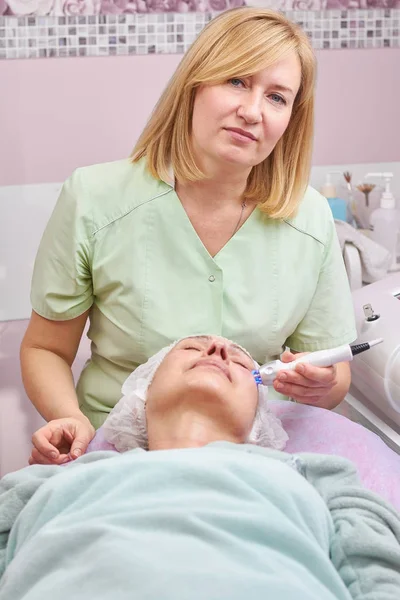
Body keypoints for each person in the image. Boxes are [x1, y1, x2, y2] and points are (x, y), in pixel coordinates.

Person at [20, 7, 357, 466]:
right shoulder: (95, 199)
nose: (252, 111)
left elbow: (332, 372)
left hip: (256, 457)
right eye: (237, 81)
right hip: (117, 450)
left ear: (291, 120)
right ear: (196, 84)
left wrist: (324, 384)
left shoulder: (311, 219)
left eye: (277, 98)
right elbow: (45, 348)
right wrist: (69, 416)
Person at [3, 335, 400, 599]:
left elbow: (377, 576)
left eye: (241, 362)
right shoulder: (48, 482)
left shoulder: (317, 475)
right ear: (143, 393)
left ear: (260, 419)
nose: (216, 350)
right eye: (191, 349)